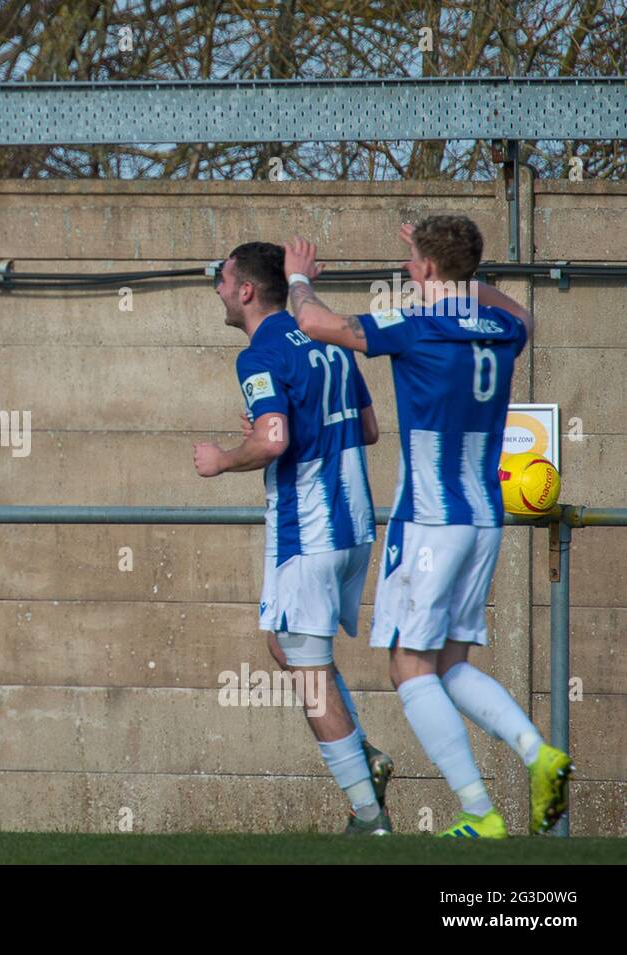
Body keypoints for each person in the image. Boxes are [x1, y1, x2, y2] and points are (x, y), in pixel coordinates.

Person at [283, 217, 573, 838]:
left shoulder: (413, 328)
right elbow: (521, 311)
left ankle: (478, 812)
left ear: (431, 271)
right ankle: (536, 752)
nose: (408, 271)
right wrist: (462, 271)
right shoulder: (501, 328)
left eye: (414, 262)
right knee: (448, 665)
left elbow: (315, 323)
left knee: (408, 670)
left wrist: (299, 278)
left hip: (431, 523)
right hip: (485, 520)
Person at [196, 242, 394, 834]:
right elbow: (369, 428)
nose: (219, 289)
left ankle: (368, 815)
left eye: (223, 279)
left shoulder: (259, 353)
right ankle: (366, 757)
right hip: (353, 525)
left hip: (307, 534)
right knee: (284, 648)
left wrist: (222, 458)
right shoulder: (328, 343)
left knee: (307, 673)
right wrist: (272, 427)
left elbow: (275, 441)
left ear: (247, 290)